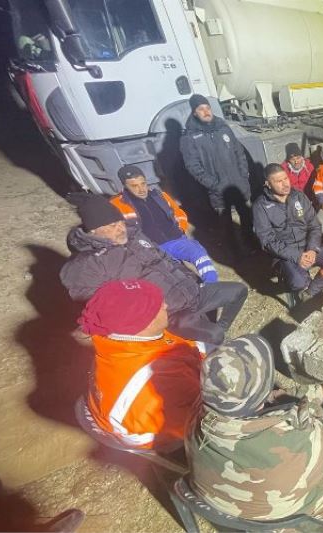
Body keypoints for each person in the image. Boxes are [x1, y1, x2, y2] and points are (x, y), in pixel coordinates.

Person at [186, 333, 323, 524]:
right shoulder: (295, 443)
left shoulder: (197, 416)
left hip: (228, 507)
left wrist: (321, 391)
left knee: (314, 411)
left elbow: (271, 399)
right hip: (296, 519)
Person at [60, 194, 247, 345]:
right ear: (93, 231)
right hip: (169, 313)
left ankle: (219, 328)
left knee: (238, 291)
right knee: (215, 337)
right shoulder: (88, 263)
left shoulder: (135, 236)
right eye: (111, 226)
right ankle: (215, 341)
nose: (120, 229)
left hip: (191, 292)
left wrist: (192, 280)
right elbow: (97, 307)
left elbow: (166, 259)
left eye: (120, 222)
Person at [79, 279, 202, 450]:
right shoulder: (160, 380)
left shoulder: (115, 340)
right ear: (146, 323)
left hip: (126, 410)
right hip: (156, 432)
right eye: (158, 306)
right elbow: (196, 424)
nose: (166, 305)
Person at [110, 164, 218, 283]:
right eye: (134, 186)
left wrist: (181, 229)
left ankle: (212, 285)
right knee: (179, 276)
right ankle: (195, 292)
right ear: (125, 186)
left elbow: (179, 213)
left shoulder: (160, 196)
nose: (141, 189)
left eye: (143, 183)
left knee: (199, 255)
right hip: (154, 249)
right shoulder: (116, 204)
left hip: (177, 240)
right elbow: (117, 231)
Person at [254, 163, 323, 303]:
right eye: (278, 181)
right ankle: (307, 289)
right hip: (284, 254)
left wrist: (312, 249)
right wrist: (297, 256)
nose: (285, 184)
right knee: (298, 281)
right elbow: (267, 241)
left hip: (306, 246)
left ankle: (310, 292)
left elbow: (314, 225)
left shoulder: (298, 196)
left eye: (285, 179)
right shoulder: (261, 206)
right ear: (268, 184)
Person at [179, 93, 253, 255]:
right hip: (218, 189)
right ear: (194, 112)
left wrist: (243, 174)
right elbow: (192, 166)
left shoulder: (223, 128)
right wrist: (213, 184)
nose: (206, 112)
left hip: (238, 184)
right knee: (226, 224)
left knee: (247, 217)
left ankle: (251, 245)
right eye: (201, 109)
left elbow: (238, 152)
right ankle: (236, 253)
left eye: (208, 108)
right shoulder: (189, 138)